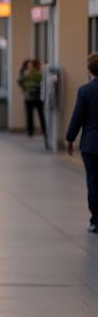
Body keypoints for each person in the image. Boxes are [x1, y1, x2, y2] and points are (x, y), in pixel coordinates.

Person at [65, 52, 98, 234]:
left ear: (89, 69)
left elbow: (77, 117)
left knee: (93, 183)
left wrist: (70, 138)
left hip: (91, 145)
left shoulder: (85, 90)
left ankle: (95, 220)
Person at [18, 58, 46, 139]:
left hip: (35, 97)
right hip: (30, 97)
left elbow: (41, 82)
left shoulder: (36, 73)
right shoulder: (26, 74)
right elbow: (20, 81)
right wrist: (25, 88)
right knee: (31, 115)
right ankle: (31, 131)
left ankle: (42, 130)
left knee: (40, 114)